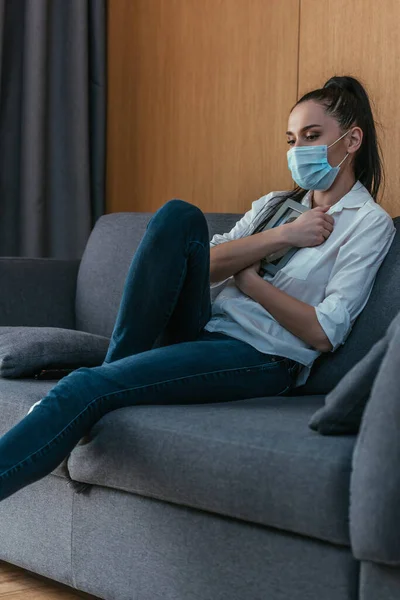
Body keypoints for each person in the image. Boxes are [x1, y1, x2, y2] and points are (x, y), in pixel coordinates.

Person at [0, 75, 395, 503]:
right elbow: (201, 267)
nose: (298, 151)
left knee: (83, 386)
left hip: (260, 356)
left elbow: (323, 332)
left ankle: (101, 385)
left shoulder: (368, 223)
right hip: (206, 326)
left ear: (351, 140)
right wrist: (285, 236)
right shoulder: (274, 205)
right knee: (178, 216)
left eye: (312, 136)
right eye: (292, 139)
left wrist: (247, 279)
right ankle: (114, 372)